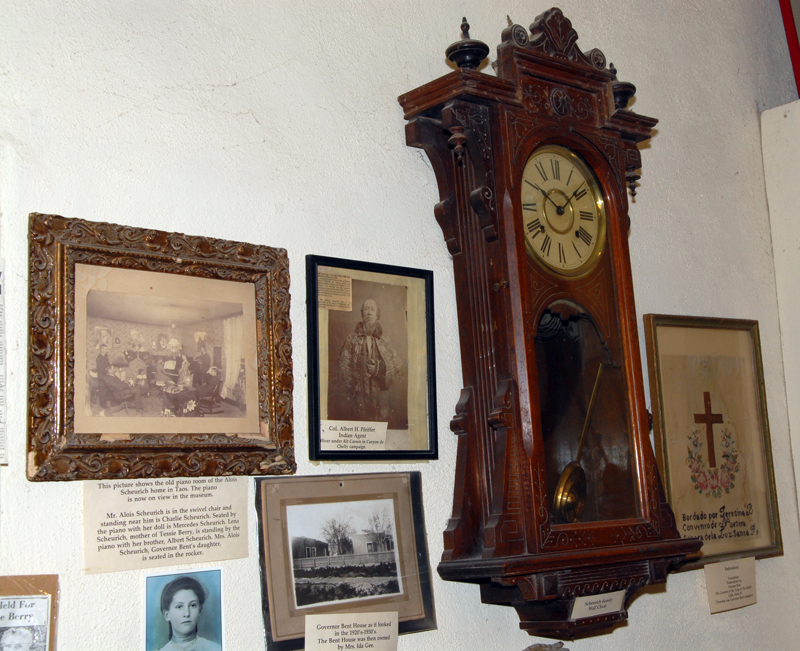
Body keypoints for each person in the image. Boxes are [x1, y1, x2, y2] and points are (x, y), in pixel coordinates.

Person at [338, 298, 402, 421]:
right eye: (366, 309)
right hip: (359, 400)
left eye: (372, 309)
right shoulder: (351, 340)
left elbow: (396, 368)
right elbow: (343, 369)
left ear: (377, 314)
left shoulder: (384, 340)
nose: (369, 312)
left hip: (380, 401)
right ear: (362, 313)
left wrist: (379, 368)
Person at [158, 576, 220, 651]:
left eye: (193, 605)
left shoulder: (215, 648)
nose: (187, 613)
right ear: (167, 615)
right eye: (179, 607)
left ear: (199, 610)